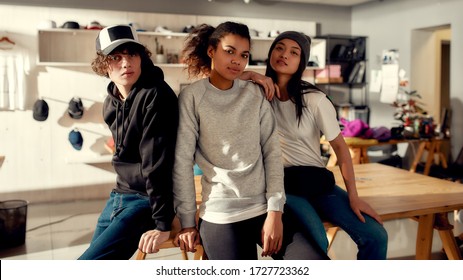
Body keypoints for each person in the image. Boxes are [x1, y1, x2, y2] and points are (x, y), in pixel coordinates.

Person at [172, 21, 328, 260]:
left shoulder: (255, 93)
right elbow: (182, 161)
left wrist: (275, 212)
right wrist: (186, 221)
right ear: (211, 50)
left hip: (264, 208)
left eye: (244, 55)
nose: (237, 60)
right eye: (229, 51)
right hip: (220, 214)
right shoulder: (192, 97)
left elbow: (271, 153)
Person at [242, 31, 388, 259]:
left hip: (315, 181)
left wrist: (354, 197)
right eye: (279, 48)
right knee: (317, 241)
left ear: (302, 61)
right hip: (281, 184)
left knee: (376, 235)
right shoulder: (256, 91)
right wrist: (252, 74)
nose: (284, 55)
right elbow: (219, 79)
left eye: (294, 52)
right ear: (270, 53)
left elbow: (341, 149)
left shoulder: (314, 99)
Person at [78, 24, 179, 259]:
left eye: (132, 54)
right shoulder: (111, 101)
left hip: (146, 201)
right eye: (116, 57)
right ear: (104, 65)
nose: (126, 63)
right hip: (119, 194)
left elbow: (157, 164)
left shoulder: (156, 95)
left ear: (142, 57)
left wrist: (163, 223)